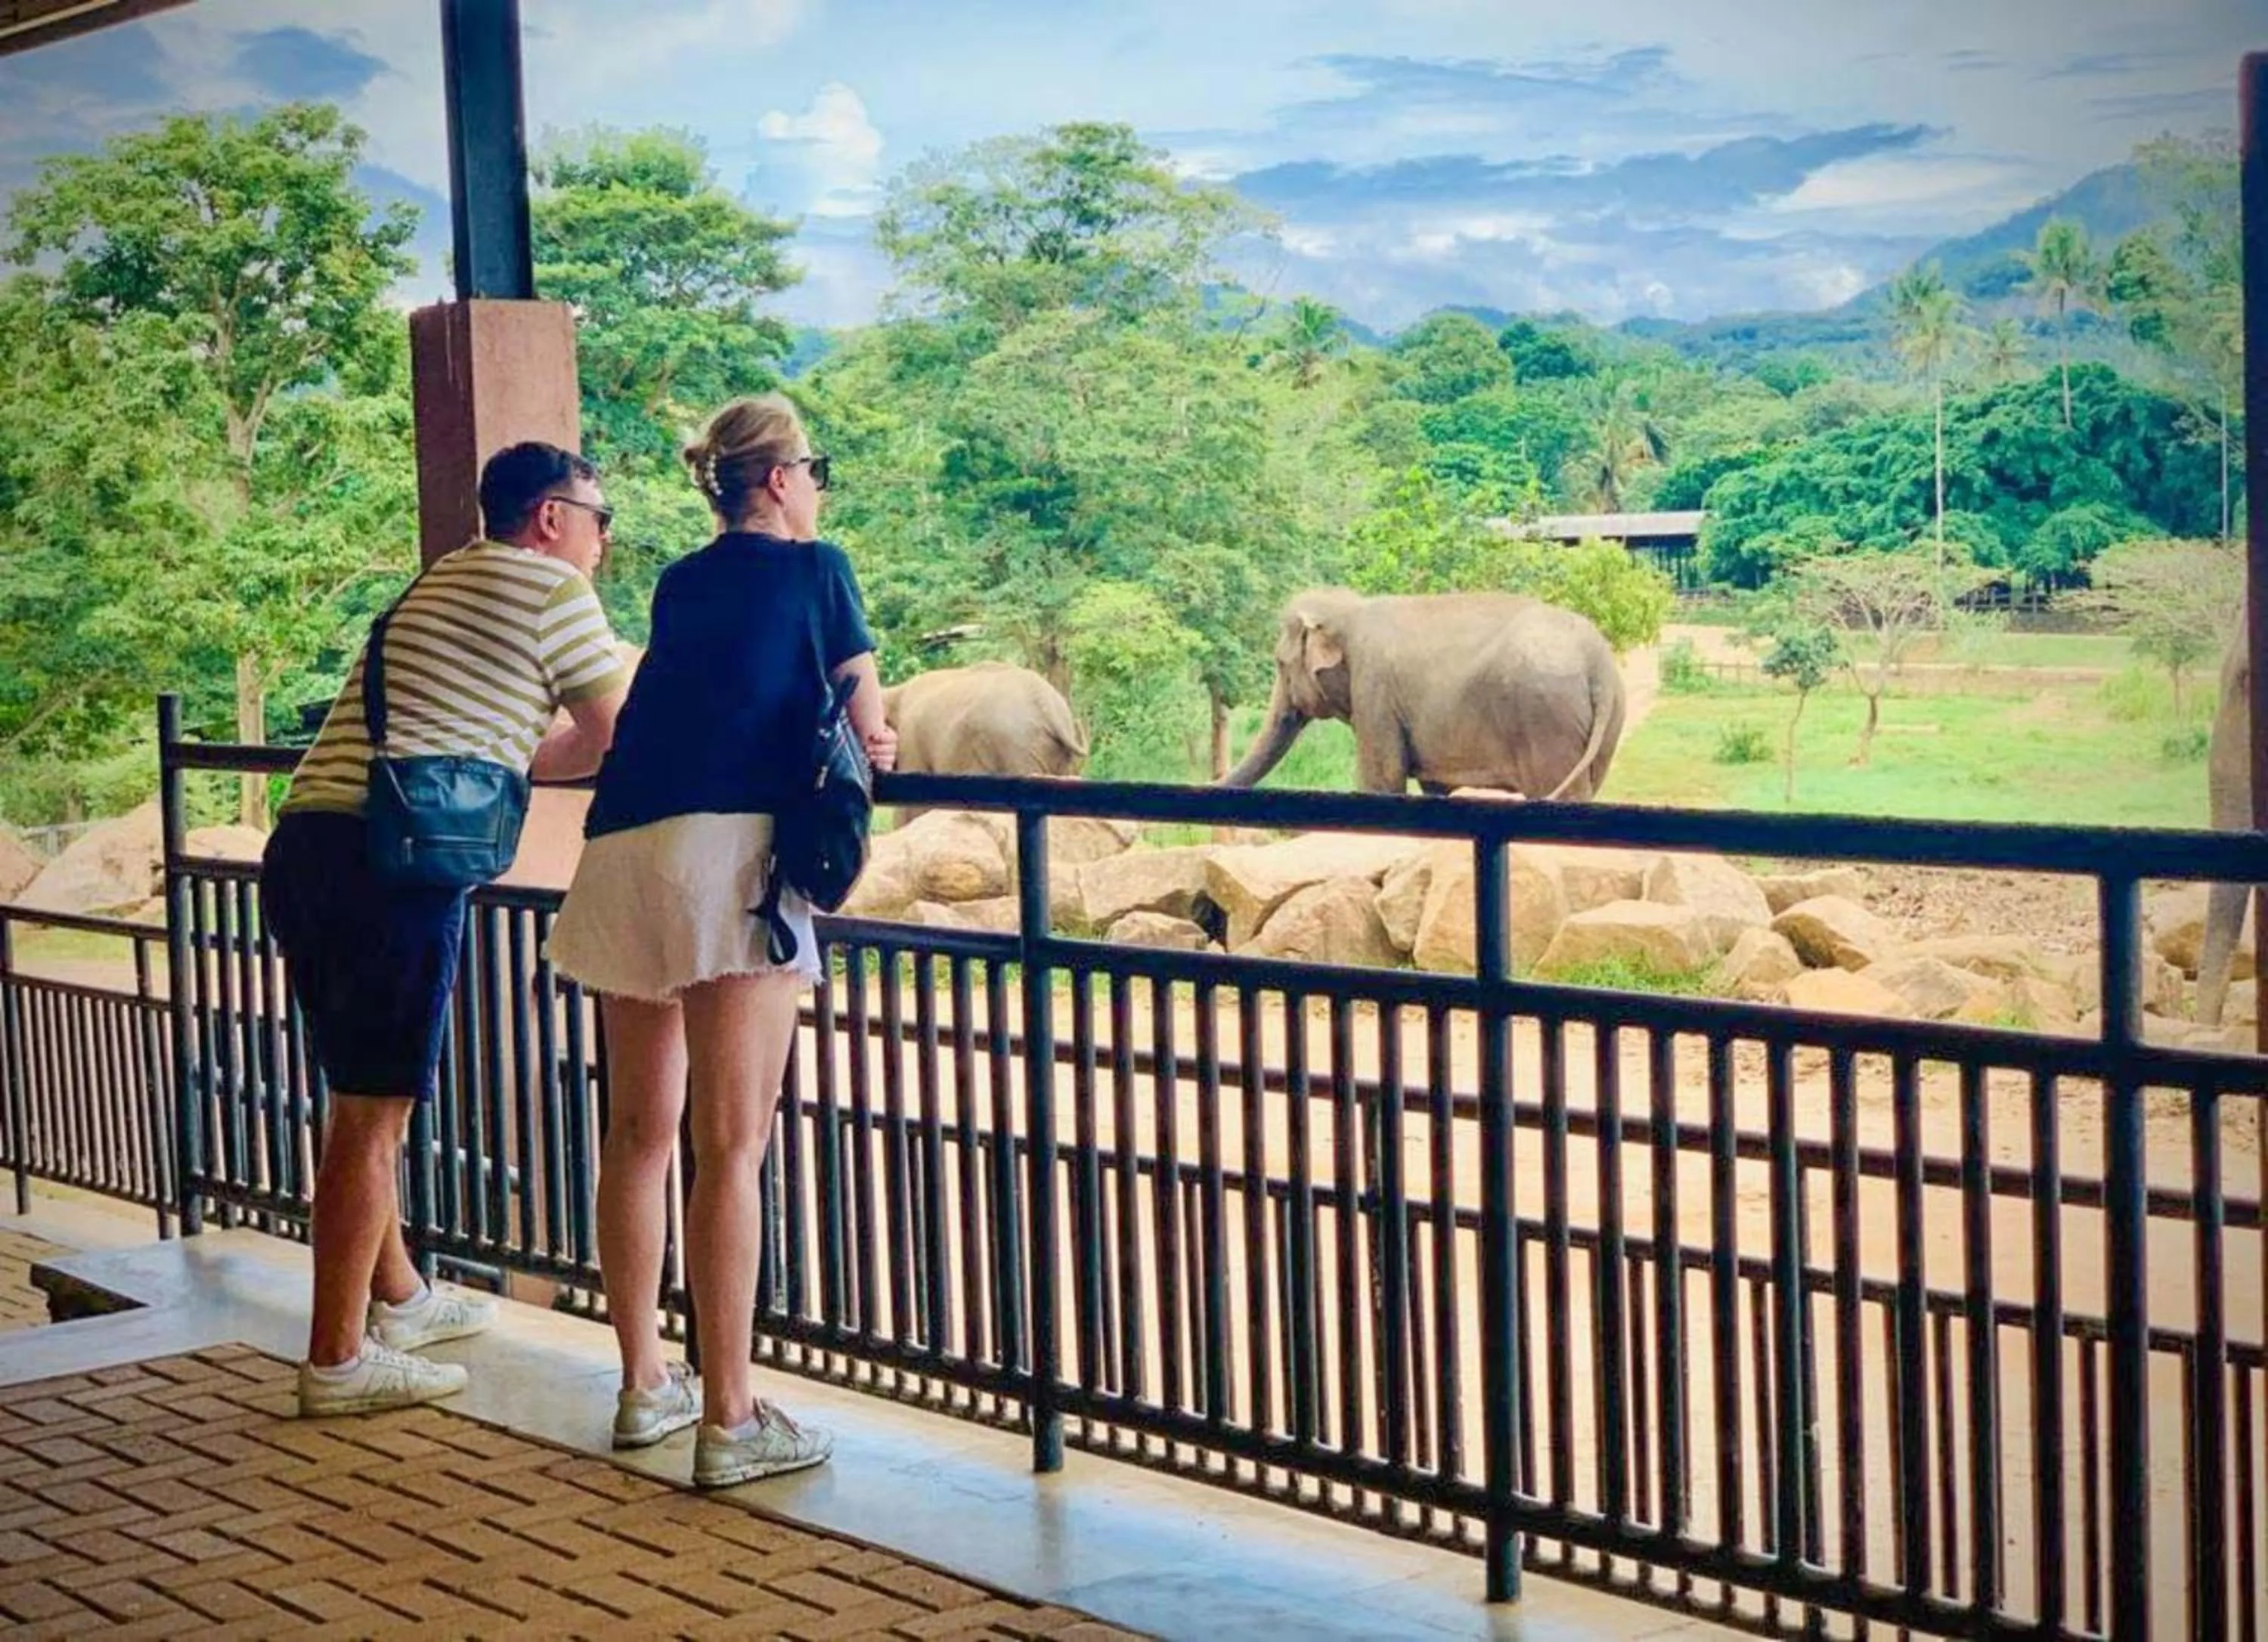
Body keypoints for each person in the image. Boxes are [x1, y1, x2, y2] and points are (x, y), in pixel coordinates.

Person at [547, 394, 895, 1488]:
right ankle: (732, 1417)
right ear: (783, 478)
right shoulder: (819, 567)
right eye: (816, 467)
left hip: (623, 855)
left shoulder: (680, 582)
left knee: (639, 1132)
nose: (819, 487)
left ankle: (649, 1384)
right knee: (729, 1148)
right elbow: (868, 719)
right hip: (730, 865)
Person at [264, 443, 630, 1417]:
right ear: (552, 518)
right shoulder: (552, 592)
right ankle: (338, 1360)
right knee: (375, 1114)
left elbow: (505, 748)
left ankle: (404, 1298)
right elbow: (617, 736)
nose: (602, 541)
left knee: (356, 1099)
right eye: (600, 520)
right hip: (390, 864)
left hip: (306, 839)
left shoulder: (442, 581)